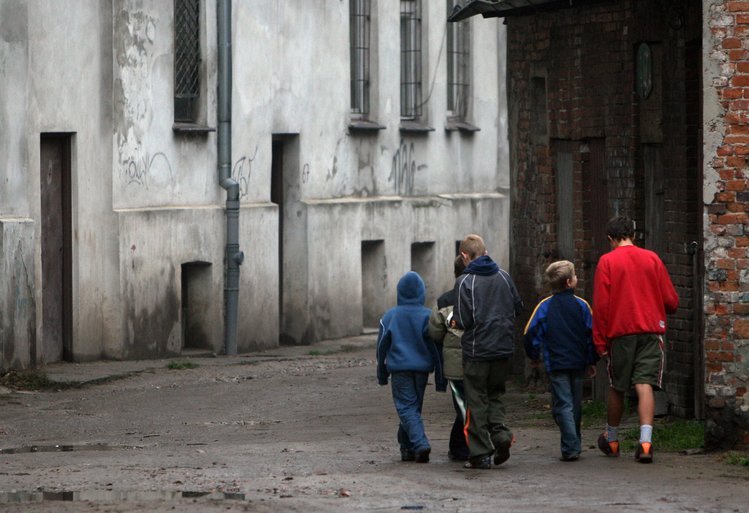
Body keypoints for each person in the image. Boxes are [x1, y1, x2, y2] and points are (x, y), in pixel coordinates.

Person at [593, 216, 679, 463]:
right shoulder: (652, 258)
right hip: (651, 331)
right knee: (645, 385)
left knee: (618, 386)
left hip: (621, 333)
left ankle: (611, 439)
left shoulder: (607, 262)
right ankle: (645, 443)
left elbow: (601, 307)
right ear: (634, 234)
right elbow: (671, 301)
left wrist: (600, 342)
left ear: (610, 239)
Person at [454, 234, 523, 469]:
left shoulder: (465, 282)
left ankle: (480, 453)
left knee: (476, 401)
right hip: (503, 349)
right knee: (496, 395)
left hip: (477, 351)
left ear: (465, 256)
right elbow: (518, 307)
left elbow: (463, 320)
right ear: (485, 252)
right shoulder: (504, 276)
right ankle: (502, 436)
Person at [523, 260, 598, 462]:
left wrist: (534, 355)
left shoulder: (545, 307)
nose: (577, 278)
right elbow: (591, 335)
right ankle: (574, 443)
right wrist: (591, 360)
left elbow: (531, 333)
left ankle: (571, 446)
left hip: (555, 362)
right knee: (575, 404)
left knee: (563, 405)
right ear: (569, 282)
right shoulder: (582, 306)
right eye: (575, 276)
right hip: (578, 361)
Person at [377, 271, 444, 463]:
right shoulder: (427, 316)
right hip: (422, 371)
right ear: (422, 293)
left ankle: (420, 443)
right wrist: (440, 379)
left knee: (407, 408)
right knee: (412, 408)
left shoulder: (390, 316)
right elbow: (435, 348)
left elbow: (381, 348)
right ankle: (406, 448)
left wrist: (381, 374)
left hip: (399, 370)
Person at [428, 255, 470, 462]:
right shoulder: (482, 296)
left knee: (462, 405)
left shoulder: (445, 301)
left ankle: (460, 447)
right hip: (479, 357)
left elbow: (434, 331)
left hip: (454, 365)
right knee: (474, 405)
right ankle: (464, 447)